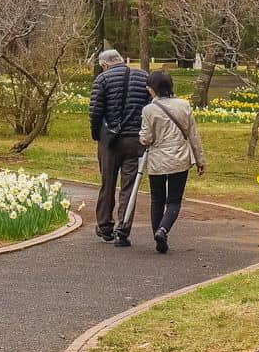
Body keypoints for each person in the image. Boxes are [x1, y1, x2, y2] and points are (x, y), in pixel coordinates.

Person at [138, 70, 205, 254]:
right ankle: (164, 230)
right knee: (174, 200)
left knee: (157, 199)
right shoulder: (184, 105)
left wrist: (143, 137)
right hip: (180, 159)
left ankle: (158, 237)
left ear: (153, 89)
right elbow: (193, 135)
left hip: (158, 161)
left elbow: (145, 138)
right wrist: (200, 160)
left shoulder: (149, 110)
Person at [88, 49, 150, 247]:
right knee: (129, 187)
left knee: (108, 183)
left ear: (104, 64)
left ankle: (105, 226)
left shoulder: (102, 79)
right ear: (122, 61)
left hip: (110, 141)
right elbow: (150, 106)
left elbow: (95, 111)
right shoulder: (143, 77)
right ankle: (123, 230)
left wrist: (97, 135)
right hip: (135, 139)